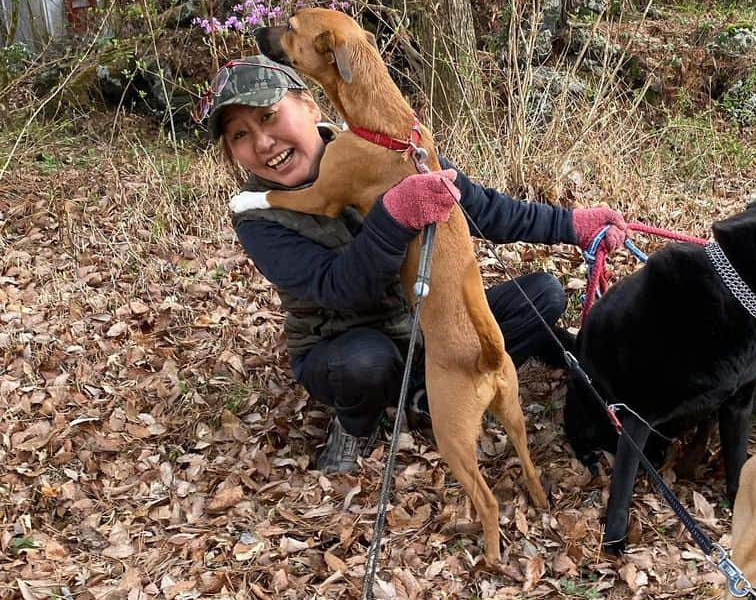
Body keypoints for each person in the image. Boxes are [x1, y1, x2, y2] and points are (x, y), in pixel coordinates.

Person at [200, 55, 627, 472]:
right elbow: (341, 289)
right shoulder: (256, 216)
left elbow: (483, 209)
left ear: (310, 105)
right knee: (364, 363)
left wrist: (573, 224)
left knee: (543, 295)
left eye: (270, 116)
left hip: (427, 324)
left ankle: (432, 393)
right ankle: (357, 423)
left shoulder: (385, 147)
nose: (262, 142)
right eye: (239, 135)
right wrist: (393, 218)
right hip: (347, 339)